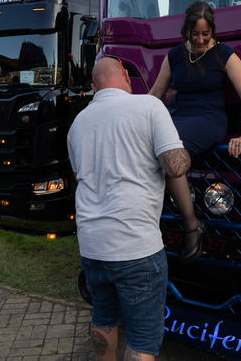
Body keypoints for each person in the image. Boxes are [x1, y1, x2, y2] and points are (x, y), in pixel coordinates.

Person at [67, 57, 191, 361]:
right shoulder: (148, 107)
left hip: (92, 245)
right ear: (126, 77)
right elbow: (175, 168)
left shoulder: (77, 124)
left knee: (104, 318)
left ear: (94, 86)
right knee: (143, 338)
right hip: (136, 247)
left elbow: (79, 177)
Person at [149, 0, 241, 264]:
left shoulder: (225, 54)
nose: (199, 39)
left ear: (213, 31)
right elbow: (153, 96)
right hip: (176, 116)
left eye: (205, 34)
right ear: (186, 30)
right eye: (194, 34)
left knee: (171, 158)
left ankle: (191, 226)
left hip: (208, 118)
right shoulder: (174, 55)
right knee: (143, 153)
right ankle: (148, 227)